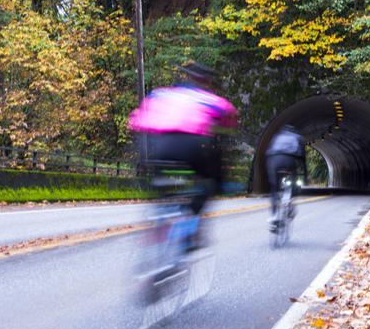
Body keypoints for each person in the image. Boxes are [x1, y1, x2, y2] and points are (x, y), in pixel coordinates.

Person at [128, 63, 239, 217]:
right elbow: (229, 111)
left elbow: (136, 120)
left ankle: (162, 205)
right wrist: (225, 125)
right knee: (213, 180)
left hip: (162, 148)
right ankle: (193, 208)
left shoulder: (161, 94)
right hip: (190, 147)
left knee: (159, 176)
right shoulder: (203, 97)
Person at [265, 124, 307, 230]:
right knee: (293, 178)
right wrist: (305, 175)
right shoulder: (297, 138)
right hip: (289, 160)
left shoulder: (277, 136)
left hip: (273, 160)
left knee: (274, 187)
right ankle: (290, 200)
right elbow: (302, 157)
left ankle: (274, 216)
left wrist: (270, 176)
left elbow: (267, 151)